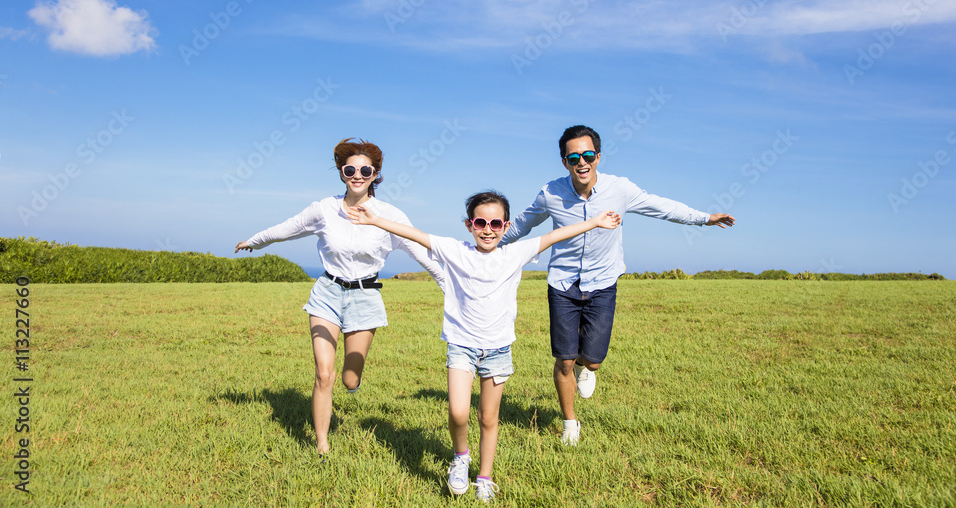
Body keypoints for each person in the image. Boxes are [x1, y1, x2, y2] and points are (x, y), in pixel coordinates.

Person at [347, 190, 620, 503]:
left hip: (499, 350)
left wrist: (596, 222)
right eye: (480, 222)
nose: (487, 229)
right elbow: (416, 235)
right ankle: (461, 456)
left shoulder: (514, 253)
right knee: (458, 411)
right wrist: (376, 220)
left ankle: (485, 478)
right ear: (469, 224)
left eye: (495, 223)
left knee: (489, 418)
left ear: (505, 226)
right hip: (461, 346)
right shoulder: (455, 250)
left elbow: (555, 234)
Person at [501, 125, 735, 446]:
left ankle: (588, 365)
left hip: (603, 283)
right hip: (563, 286)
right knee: (564, 359)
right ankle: (570, 423)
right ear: (564, 161)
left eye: (587, 155)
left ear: (597, 157)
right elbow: (521, 226)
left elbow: (661, 207)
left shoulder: (619, 189)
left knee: (592, 360)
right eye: (573, 157)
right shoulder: (550, 194)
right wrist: (485, 245)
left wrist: (703, 218)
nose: (581, 162)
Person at [235, 138, 444, 458]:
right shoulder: (324, 209)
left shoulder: (389, 215)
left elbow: (423, 255)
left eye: (365, 170)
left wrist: (450, 287)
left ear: (375, 174)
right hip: (327, 293)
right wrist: (254, 241)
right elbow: (286, 229)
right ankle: (321, 446)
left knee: (349, 378)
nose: (357, 174)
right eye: (350, 169)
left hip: (365, 296)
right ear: (341, 172)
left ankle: (353, 380)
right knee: (323, 372)